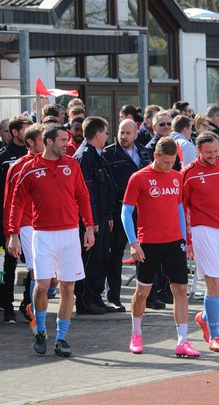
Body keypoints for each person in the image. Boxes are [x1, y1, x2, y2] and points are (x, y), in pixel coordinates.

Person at [7, 124, 95, 357]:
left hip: (70, 234)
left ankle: (61, 338)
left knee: (68, 287)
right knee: (42, 286)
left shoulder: (72, 165)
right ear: (48, 142)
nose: (67, 144)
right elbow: (17, 203)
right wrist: (13, 234)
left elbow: (83, 196)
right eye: (63, 140)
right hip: (43, 235)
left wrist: (89, 227)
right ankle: (40, 330)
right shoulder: (29, 169)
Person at [121, 137, 200, 358]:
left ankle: (182, 341)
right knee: (143, 291)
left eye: (173, 162)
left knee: (180, 290)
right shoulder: (139, 178)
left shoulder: (177, 177)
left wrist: (185, 240)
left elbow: (179, 209)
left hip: (174, 242)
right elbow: (126, 211)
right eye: (165, 162)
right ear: (156, 156)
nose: (169, 166)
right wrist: (133, 243)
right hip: (148, 243)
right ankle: (136, 334)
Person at [182, 131, 219, 353]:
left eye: (215, 151)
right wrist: (188, 240)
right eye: (208, 152)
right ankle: (215, 335)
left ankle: (205, 318)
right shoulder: (188, 173)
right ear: (198, 150)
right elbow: (181, 208)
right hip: (202, 231)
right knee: (213, 284)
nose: (213, 155)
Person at [103, 119, 153, 311]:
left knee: (147, 252)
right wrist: (109, 213)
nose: (123, 136)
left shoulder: (144, 152)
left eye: (128, 133)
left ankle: (148, 296)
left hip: (144, 211)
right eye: (121, 132)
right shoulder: (109, 154)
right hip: (120, 210)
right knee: (116, 254)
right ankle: (113, 297)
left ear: (136, 134)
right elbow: (107, 187)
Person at [0, 115, 32, 323]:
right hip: (6, 218)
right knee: (8, 265)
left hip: (29, 220)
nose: (29, 132)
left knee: (33, 265)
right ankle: (6, 307)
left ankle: (27, 304)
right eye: (25, 129)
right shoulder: (2, 156)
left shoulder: (33, 155)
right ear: (15, 132)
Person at [3, 123, 46, 329]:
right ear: (31, 143)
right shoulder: (19, 166)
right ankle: (21, 309)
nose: (47, 144)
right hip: (26, 225)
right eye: (42, 140)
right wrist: (10, 233)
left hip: (46, 225)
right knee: (34, 271)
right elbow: (10, 201)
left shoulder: (52, 162)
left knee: (45, 275)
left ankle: (27, 305)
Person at [74, 116, 119, 314]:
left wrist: (107, 215)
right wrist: (90, 222)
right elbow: (86, 192)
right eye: (106, 133)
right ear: (98, 134)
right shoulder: (84, 156)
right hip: (91, 219)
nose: (107, 137)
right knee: (90, 260)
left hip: (101, 216)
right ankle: (86, 300)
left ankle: (96, 297)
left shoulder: (96, 154)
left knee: (101, 258)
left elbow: (105, 188)